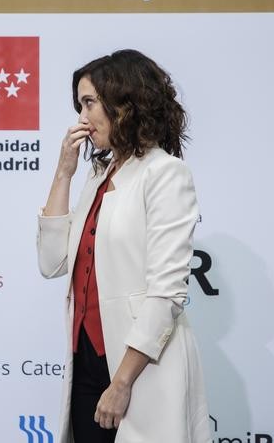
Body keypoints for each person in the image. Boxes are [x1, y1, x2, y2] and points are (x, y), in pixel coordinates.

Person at [37, 49, 211, 443]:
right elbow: (51, 263)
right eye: (80, 105)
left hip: (142, 369)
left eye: (89, 103)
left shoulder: (164, 173)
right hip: (87, 364)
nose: (82, 118)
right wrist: (64, 171)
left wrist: (122, 382)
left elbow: (165, 292)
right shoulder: (98, 174)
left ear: (125, 104)